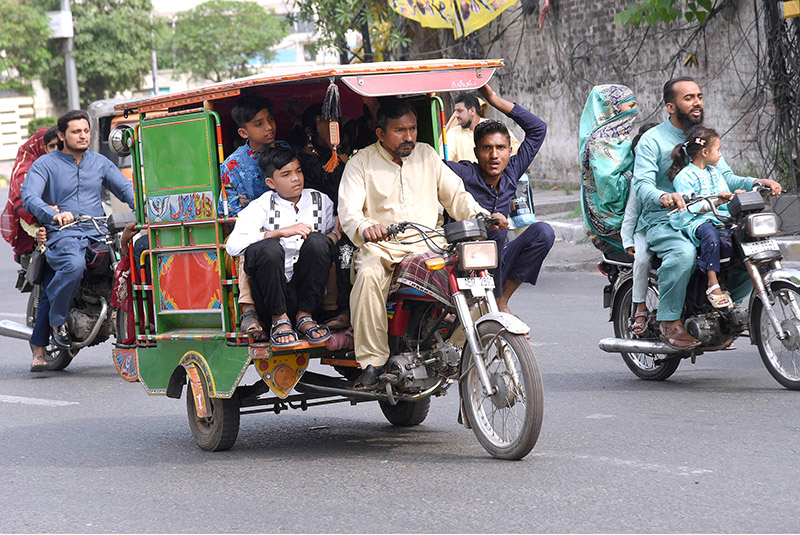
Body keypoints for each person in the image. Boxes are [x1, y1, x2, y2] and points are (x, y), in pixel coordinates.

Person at [338, 98, 504, 388]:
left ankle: (453, 351)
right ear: (381, 134)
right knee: (366, 274)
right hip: (384, 247)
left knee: (473, 276)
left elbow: (457, 196)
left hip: (430, 241)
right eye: (400, 130)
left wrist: (483, 216)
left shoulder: (427, 155)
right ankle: (373, 362)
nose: (410, 136)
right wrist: (367, 227)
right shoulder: (360, 162)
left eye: (413, 129)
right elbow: (349, 212)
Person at [633, 77, 781, 349]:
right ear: (670, 106)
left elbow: (726, 177)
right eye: (688, 98)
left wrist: (756, 183)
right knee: (684, 254)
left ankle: (719, 310)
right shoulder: (651, 141)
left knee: (746, 249)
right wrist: (664, 196)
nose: (697, 102)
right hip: (666, 219)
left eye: (699, 96)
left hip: (708, 214)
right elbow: (641, 184)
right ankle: (669, 320)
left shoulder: (704, 138)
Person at [21, 109, 135, 353]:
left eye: (86, 131)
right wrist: (54, 214)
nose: (83, 136)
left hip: (98, 232)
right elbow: (29, 196)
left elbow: (125, 189)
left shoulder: (100, 162)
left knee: (128, 264)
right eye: (76, 132)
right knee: (73, 265)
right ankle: (58, 320)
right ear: (62, 135)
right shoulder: (45, 165)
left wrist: (147, 210)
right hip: (64, 234)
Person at [445, 84, 553, 316]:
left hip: (496, 261)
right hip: (462, 261)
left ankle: (501, 300)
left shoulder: (512, 170)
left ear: (509, 151)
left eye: (500, 148)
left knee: (543, 232)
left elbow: (538, 128)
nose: (494, 155)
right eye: (487, 148)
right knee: (494, 227)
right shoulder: (463, 173)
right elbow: (429, 165)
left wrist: (493, 99)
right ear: (476, 152)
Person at [226, 147, 337, 347]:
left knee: (320, 242)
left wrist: (325, 242)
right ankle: (279, 320)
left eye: (298, 171)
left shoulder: (321, 201)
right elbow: (233, 246)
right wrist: (279, 232)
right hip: (270, 294)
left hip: (308, 290)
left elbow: (334, 233)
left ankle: (305, 317)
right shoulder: (262, 205)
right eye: (286, 174)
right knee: (268, 247)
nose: (296, 178)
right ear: (271, 183)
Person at [218, 94, 289, 337]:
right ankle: (248, 311)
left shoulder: (285, 151)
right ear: (243, 132)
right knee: (248, 245)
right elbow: (229, 211)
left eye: (270, 120)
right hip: (250, 230)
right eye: (259, 124)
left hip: (288, 224)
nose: (269, 127)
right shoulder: (231, 167)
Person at [667, 125, 741, 308]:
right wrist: (716, 202)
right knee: (710, 235)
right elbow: (689, 207)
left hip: (717, 217)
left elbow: (724, 193)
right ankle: (712, 281)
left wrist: (735, 195)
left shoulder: (714, 173)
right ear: (705, 152)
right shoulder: (684, 176)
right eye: (718, 150)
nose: (721, 155)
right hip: (695, 221)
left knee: (741, 233)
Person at [579, 84, 638, 253]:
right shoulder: (600, 142)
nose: (635, 111)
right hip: (610, 219)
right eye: (631, 106)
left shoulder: (619, 137)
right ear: (613, 108)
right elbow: (609, 185)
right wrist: (634, 176)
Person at [621, 123, 658, 335]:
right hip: (645, 229)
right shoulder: (639, 180)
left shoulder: (675, 172)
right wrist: (628, 241)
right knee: (642, 259)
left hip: (674, 224)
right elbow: (631, 213)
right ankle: (640, 309)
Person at [447, 91, 520, 162]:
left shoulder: (494, 127)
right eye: (455, 111)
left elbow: (516, 152)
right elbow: (445, 160)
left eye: (460, 111)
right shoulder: (452, 134)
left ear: (472, 111)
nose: (456, 115)